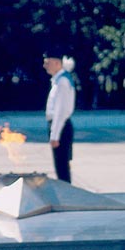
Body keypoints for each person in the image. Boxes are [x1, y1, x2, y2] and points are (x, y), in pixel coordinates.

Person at [43, 47, 76, 183]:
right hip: (60, 127)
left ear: (57, 63)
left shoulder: (62, 82)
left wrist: (54, 136)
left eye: (47, 62)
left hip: (61, 128)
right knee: (62, 167)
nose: (44, 65)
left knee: (62, 169)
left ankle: (67, 198)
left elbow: (60, 112)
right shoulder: (58, 80)